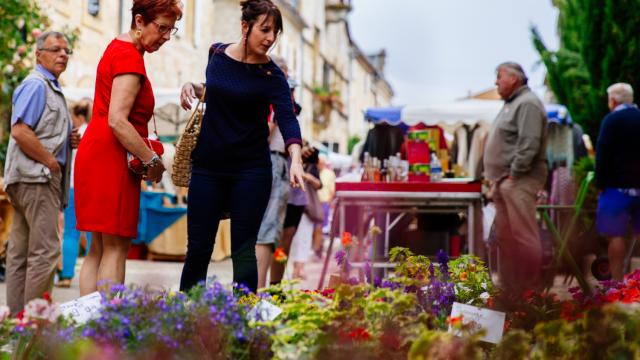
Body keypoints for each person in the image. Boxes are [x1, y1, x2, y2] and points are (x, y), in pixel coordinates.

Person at [178, 0, 304, 294]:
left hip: (251, 171)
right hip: (208, 166)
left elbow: (287, 119)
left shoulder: (273, 75)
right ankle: (185, 319)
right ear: (245, 26)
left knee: (244, 250)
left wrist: (295, 158)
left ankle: (242, 321)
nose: (271, 38)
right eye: (265, 30)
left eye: (275, 32)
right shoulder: (217, 53)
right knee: (198, 248)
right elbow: (217, 91)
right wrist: (193, 87)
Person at [74, 0, 178, 295]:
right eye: (162, 28)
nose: (166, 37)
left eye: (172, 30)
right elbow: (118, 121)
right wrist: (152, 161)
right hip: (112, 156)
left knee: (97, 247)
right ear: (140, 21)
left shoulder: (114, 48)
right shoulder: (129, 57)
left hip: (97, 150)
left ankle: (87, 330)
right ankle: (106, 330)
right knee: (116, 247)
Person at [3, 31, 79, 314]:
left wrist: (66, 140)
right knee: (45, 252)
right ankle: (34, 324)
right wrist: (50, 160)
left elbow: (39, 129)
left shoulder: (49, 85)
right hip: (36, 178)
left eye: (66, 50)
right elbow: (20, 130)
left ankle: (16, 321)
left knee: (20, 254)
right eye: (56, 49)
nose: (63, 55)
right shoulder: (37, 85)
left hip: (28, 178)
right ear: (39, 54)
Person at [483, 62, 548, 295]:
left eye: (499, 76)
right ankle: (510, 289)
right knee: (505, 237)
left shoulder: (527, 103)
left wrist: (515, 173)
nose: (496, 82)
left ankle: (530, 290)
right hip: (505, 181)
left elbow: (529, 142)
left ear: (514, 78)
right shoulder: (513, 103)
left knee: (523, 235)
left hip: (520, 179)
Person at [255, 55, 296, 289]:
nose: (287, 78)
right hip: (272, 161)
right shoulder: (273, 97)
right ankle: (259, 292)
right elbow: (267, 129)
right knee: (267, 229)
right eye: (285, 73)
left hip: (273, 161)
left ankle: (260, 290)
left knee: (269, 230)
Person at [595, 83, 640, 281]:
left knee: (615, 235)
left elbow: (602, 153)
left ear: (613, 100)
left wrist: (601, 183)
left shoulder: (611, 120)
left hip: (616, 188)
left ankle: (617, 281)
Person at [57, 100, 93, 288]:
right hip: (93, 189)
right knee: (94, 236)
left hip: (73, 188)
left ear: (79, 116)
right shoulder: (95, 132)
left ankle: (66, 276)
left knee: (71, 232)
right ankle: (94, 276)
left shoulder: (74, 134)